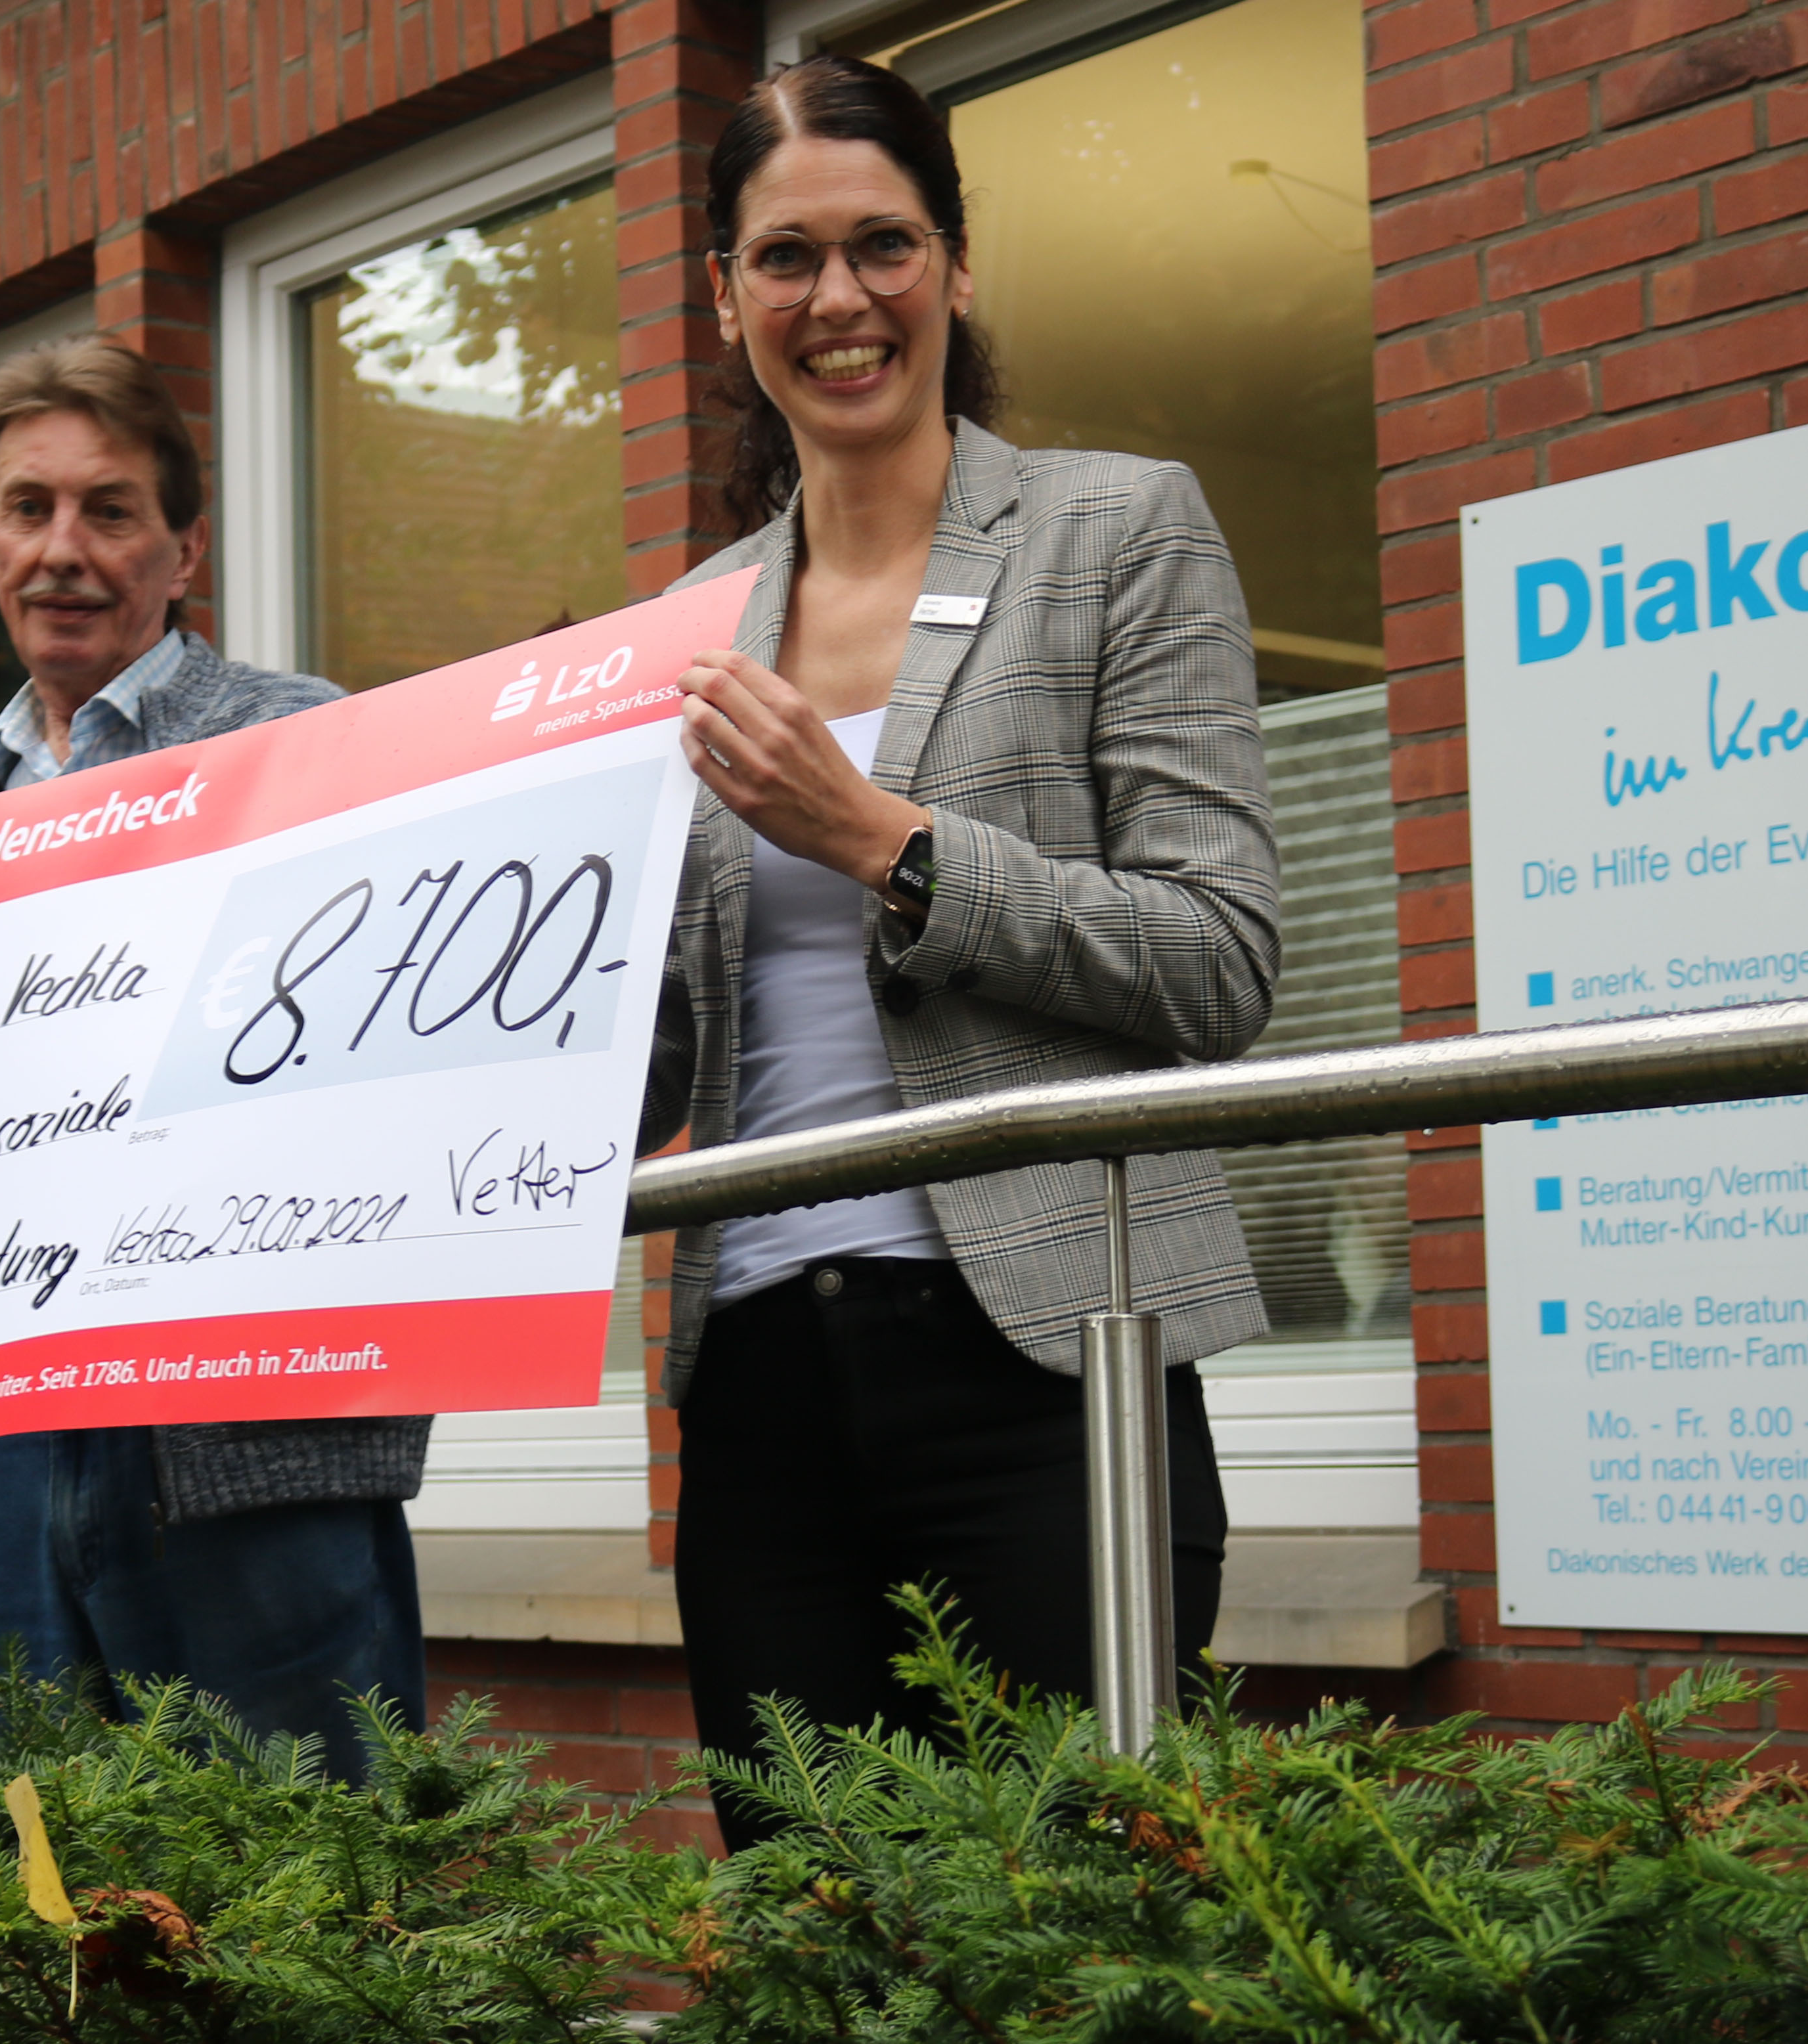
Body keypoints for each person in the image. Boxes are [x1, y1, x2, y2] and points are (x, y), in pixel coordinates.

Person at [644, 55, 1281, 1844]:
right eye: (785, 259)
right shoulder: (685, 636)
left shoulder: (1114, 531)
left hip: (1044, 1365)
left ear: (958, 261)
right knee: (818, 1936)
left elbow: (1219, 955)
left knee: (1081, 1923)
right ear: (723, 296)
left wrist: (886, 846)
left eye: (881, 245)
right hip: (759, 1380)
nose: (837, 301)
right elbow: (643, 1055)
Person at [0, 336, 427, 1768]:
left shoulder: (305, 740)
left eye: (110, 510)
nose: (66, 549)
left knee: (304, 1909)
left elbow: (379, 1065)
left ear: (185, 546)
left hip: (239, 1435)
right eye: (30, 509)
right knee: (17, 1913)